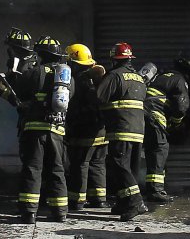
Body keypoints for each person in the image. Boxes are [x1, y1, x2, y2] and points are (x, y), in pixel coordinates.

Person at [12, 34, 75, 224]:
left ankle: (29, 213)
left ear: (40, 54)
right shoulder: (67, 77)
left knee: (33, 169)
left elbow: (18, 94)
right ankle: (60, 212)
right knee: (57, 170)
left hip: (34, 130)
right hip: (57, 130)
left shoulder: (34, 72)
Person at [96, 41, 148, 222]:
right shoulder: (139, 78)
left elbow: (99, 98)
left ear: (114, 59)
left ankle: (135, 201)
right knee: (130, 168)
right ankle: (123, 201)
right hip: (138, 130)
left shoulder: (114, 76)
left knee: (118, 164)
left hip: (121, 128)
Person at [141, 54, 190, 203]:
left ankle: (143, 187)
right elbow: (181, 107)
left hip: (137, 115)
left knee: (147, 150)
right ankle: (155, 191)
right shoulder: (180, 80)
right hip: (153, 115)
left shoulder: (160, 76)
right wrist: (176, 123)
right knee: (159, 149)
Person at [64, 42, 108, 211]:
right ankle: (99, 199)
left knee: (80, 164)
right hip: (101, 129)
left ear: (73, 62)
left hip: (83, 130)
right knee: (97, 163)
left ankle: (77, 200)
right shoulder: (97, 77)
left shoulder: (76, 80)